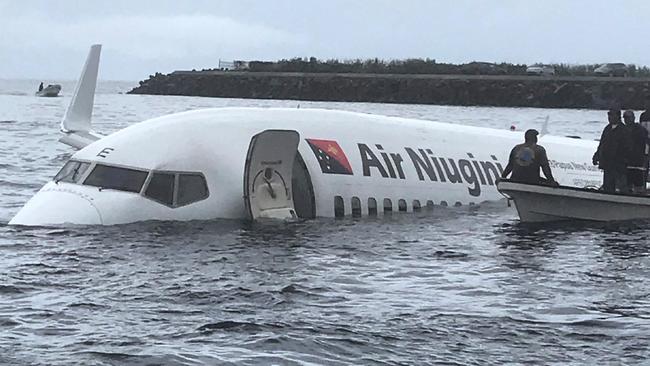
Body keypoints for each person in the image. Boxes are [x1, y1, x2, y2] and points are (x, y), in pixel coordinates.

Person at [593, 109, 631, 193]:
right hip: (607, 165)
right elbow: (602, 144)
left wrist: (623, 160)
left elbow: (627, 148)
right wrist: (597, 155)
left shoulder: (624, 130)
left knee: (620, 189)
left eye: (611, 115)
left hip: (619, 166)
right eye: (609, 115)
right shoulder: (607, 129)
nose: (609, 117)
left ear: (618, 116)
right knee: (608, 187)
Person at [623, 110, 648, 193]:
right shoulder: (623, 130)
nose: (627, 119)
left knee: (639, 185)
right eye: (625, 118)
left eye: (628, 117)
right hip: (626, 162)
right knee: (627, 184)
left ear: (633, 118)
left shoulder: (641, 130)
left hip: (638, 162)